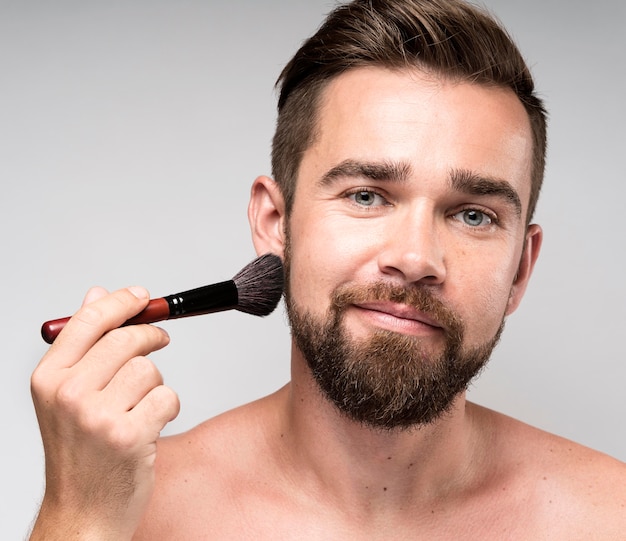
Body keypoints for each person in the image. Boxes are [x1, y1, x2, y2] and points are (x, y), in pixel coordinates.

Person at [29, 0, 626, 539]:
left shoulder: (609, 517)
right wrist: (76, 521)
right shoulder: (128, 515)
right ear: (274, 223)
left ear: (520, 268)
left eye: (473, 215)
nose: (415, 258)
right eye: (367, 195)